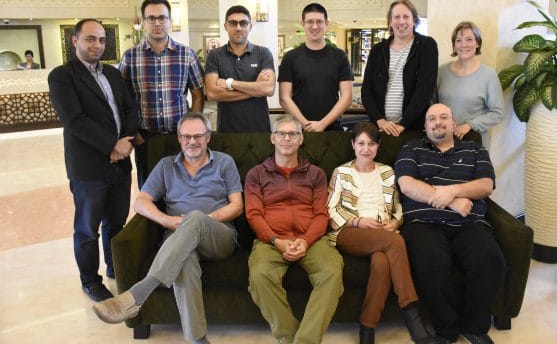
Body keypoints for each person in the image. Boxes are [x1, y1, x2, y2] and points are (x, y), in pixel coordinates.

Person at [91, 112, 243, 344]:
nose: (192, 141)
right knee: (185, 264)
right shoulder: (165, 166)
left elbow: (237, 206)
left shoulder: (224, 162)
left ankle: (136, 295)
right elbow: (141, 201)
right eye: (186, 136)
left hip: (218, 237)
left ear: (208, 137)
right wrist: (166, 220)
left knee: (195, 217)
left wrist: (203, 221)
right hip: (178, 239)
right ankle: (198, 339)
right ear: (179, 139)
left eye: (198, 136)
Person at [395, 103, 506, 344]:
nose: (438, 122)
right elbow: (407, 185)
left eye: (443, 117)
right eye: (431, 118)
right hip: (424, 222)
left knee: (490, 259)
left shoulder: (474, 149)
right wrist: (452, 202)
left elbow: (486, 185)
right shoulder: (411, 148)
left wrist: (452, 191)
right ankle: (446, 330)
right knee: (431, 260)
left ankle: (474, 328)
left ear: (453, 123)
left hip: (468, 222)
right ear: (425, 127)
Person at [48, 18, 139, 302]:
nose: (97, 45)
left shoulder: (112, 73)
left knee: (116, 223)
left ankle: (115, 268)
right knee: (87, 229)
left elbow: (130, 108)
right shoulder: (62, 76)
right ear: (75, 40)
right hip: (89, 167)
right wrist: (112, 144)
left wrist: (125, 141)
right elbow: (74, 120)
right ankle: (90, 280)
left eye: (101, 40)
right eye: (90, 39)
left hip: (120, 163)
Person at [327, 122, 436, 344]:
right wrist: (358, 221)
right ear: (353, 145)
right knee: (395, 242)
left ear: (378, 145)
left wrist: (395, 224)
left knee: (381, 263)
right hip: (350, 231)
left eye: (371, 144)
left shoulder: (387, 172)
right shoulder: (341, 172)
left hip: (382, 234)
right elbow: (330, 208)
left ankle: (367, 327)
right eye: (361, 143)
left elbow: (397, 207)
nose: (366, 149)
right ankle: (411, 311)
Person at [245, 114, 344, 343]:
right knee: (259, 276)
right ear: (272, 138)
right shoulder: (256, 174)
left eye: (293, 134)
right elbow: (254, 214)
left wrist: (306, 240)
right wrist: (276, 241)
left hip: (311, 239)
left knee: (332, 273)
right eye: (281, 133)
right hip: (271, 240)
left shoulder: (316, 174)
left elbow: (321, 214)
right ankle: (289, 338)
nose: (287, 138)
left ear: (301, 139)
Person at [119, 0, 205, 188]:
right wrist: (133, 131)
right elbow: (122, 99)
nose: (157, 23)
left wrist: (192, 128)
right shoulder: (131, 57)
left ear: (170, 21)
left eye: (162, 18)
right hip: (145, 137)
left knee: (183, 187)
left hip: (180, 136)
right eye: (151, 18)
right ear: (143, 22)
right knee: (150, 189)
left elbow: (198, 93)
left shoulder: (186, 54)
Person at [361, 0, 438, 136]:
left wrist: (403, 124)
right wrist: (380, 121)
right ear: (390, 22)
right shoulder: (378, 50)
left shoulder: (427, 46)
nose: (401, 21)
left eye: (406, 17)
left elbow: (424, 90)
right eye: (396, 17)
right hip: (379, 129)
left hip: (412, 128)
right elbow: (366, 90)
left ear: (414, 20)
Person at [278, 3, 353, 131]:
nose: (314, 26)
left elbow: (347, 97)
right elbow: (284, 98)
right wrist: (305, 124)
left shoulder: (340, 56)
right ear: (303, 24)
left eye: (319, 21)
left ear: (326, 24)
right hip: (299, 129)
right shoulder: (290, 57)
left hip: (332, 128)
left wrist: (322, 124)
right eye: (310, 22)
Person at [204, 5, 275, 132]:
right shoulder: (214, 55)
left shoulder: (263, 53)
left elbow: (268, 89)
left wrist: (229, 83)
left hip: (260, 130)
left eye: (243, 23)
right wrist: (256, 88)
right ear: (225, 26)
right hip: (227, 130)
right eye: (233, 23)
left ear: (250, 27)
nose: (238, 28)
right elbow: (212, 93)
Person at [436, 21, 504, 149]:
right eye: (459, 40)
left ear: (477, 43)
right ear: (454, 45)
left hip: (474, 142)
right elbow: (432, 105)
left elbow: (497, 113)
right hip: (443, 140)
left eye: (469, 39)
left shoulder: (488, 75)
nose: (464, 45)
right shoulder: (441, 72)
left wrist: (469, 125)